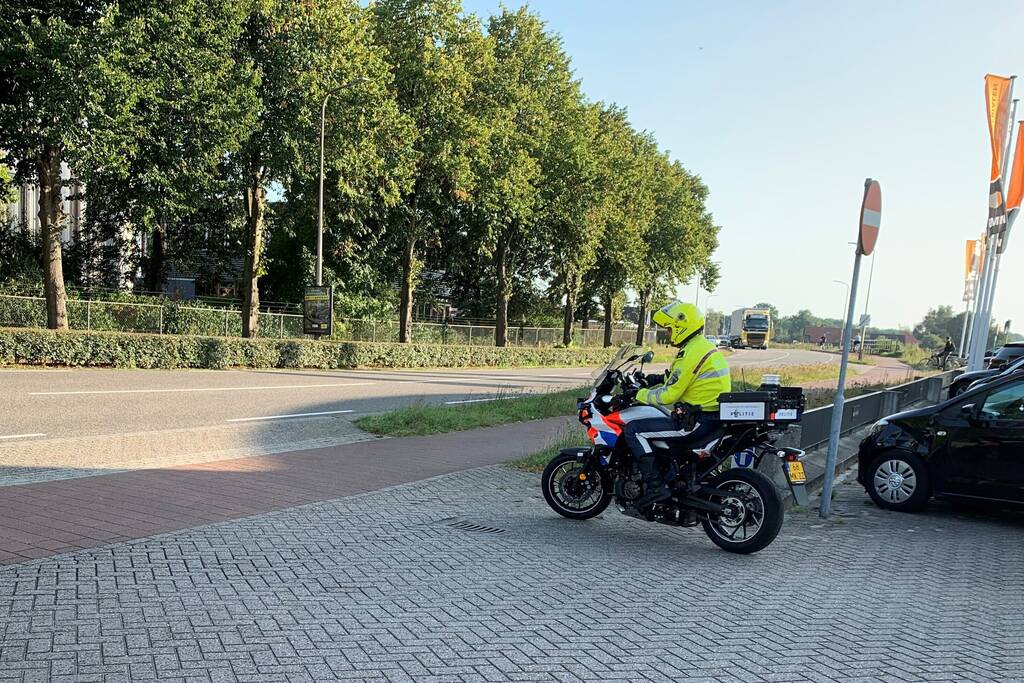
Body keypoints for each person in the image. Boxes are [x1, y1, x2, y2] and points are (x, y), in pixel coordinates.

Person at [621, 301, 731, 510]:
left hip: (697, 421)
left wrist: (639, 393)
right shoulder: (702, 347)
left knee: (634, 430)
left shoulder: (690, 352)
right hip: (709, 416)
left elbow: (669, 394)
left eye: (670, 329)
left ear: (683, 327)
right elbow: (678, 379)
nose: (668, 334)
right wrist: (653, 380)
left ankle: (656, 487)